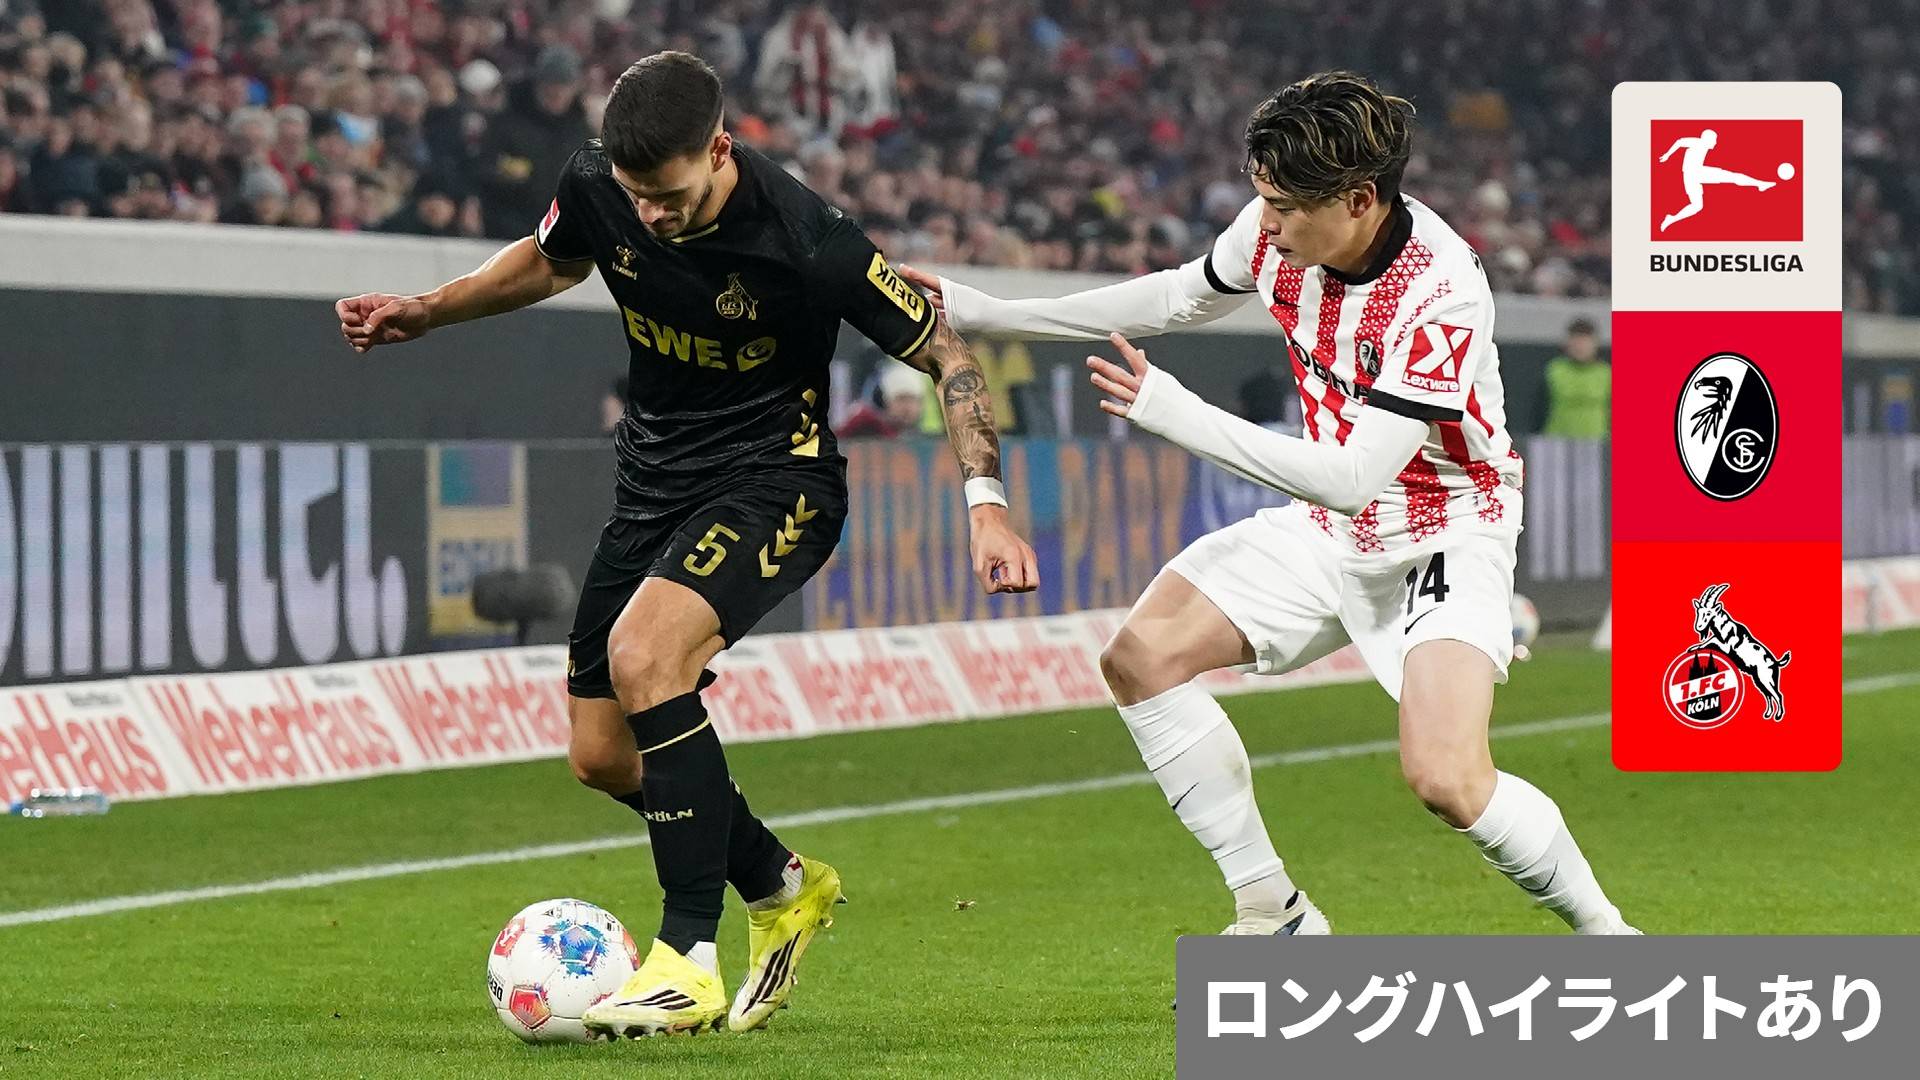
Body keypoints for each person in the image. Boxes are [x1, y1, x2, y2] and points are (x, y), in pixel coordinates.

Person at [336, 51, 1037, 1038]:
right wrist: (429, 309)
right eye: (637, 198)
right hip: (652, 490)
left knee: (644, 656)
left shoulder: (805, 235)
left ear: (719, 150)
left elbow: (945, 353)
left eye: (668, 198)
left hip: (777, 483)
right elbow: (551, 259)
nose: (651, 216)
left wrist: (986, 505)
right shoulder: (598, 180)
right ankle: (783, 883)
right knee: (600, 756)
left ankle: (686, 958)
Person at [907, 71, 1637, 946]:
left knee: (1447, 779)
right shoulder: (1275, 228)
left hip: (1443, 528)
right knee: (1142, 657)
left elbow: (1356, 474)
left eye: (1287, 208)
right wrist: (990, 312)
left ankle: (1608, 936)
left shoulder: (1441, 293)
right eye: (1264, 200)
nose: (1269, 224)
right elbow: (1176, 296)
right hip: (1330, 526)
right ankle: (1273, 909)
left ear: (1359, 199)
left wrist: (1178, 414)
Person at [1540, 317, 1610, 438]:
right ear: (1567, 344)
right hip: (1557, 441)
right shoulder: (1554, 370)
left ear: (1595, 344)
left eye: (1585, 342)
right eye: (1576, 341)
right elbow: (1538, 408)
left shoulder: (1606, 373)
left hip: (1597, 442)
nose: (1580, 347)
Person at [839, 359, 927, 437]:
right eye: (901, 399)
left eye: (912, 400)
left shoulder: (922, 438)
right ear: (885, 402)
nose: (907, 407)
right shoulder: (864, 426)